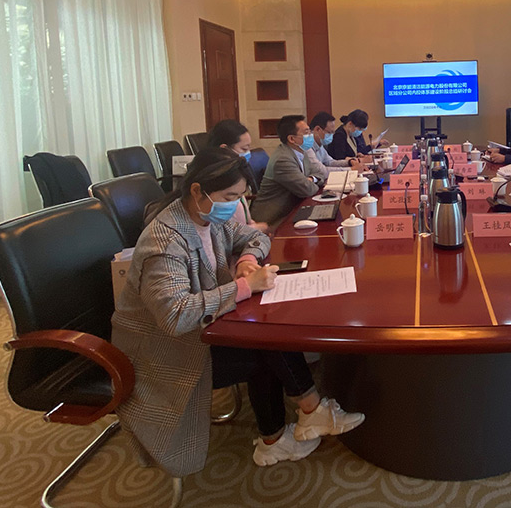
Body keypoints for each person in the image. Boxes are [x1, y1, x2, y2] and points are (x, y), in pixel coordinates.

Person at [111, 148, 364, 478]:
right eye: (229, 197)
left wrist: (246, 260)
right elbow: (175, 316)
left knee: (265, 332)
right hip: (167, 351)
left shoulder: (206, 219)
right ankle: (292, 423)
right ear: (197, 191)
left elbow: (256, 235)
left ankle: (290, 425)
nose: (234, 205)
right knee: (263, 344)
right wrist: (245, 287)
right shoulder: (165, 242)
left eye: (239, 197)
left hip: (203, 330)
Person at [249, 115, 324, 226]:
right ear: (291, 139)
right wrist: (309, 182)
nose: (311, 136)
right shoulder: (283, 160)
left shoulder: (301, 152)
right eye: (306, 133)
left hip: (294, 209)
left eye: (310, 132)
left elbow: (320, 173)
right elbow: (307, 190)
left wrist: (310, 179)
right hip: (273, 220)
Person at [203, 119, 268, 230]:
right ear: (224, 149)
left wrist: (255, 227)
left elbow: (246, 220)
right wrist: (260, 228)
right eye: (244, 149)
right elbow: (228, 232)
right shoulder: (216, 182)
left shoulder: (236, 174)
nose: (248, 153)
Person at [305, 111, 361, 175]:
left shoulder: (319, 145)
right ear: (317, 129)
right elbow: (321, 170)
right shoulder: (307, 146)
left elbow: (330, 162)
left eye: (332, 132)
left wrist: (349, 162)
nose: (331, 136)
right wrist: (351, 169)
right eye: (329, 132)